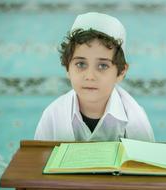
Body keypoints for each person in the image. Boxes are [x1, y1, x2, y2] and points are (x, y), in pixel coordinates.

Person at [34, 12, 155, 142]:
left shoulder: (136, 119)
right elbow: (39, 158)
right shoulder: (52, 115)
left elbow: (144, 160)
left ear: (121, 72)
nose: (90, 76)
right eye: (81, 64)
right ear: (67, 68)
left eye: (102, 66)